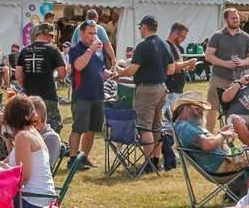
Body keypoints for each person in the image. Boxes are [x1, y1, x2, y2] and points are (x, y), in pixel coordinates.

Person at [114, 14, 173, 171]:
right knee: (156, 126)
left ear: (144, 27)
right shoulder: (165, 44)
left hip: (147, 88)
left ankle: (149, 164)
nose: (140, 30)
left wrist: (120, 72)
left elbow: (132, 69)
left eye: (140, 27)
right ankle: (155, 159)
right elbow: (171, 69)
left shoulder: (143, 46)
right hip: (162, 87)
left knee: (144, 127)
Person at [169, 93, 249, 179]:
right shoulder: (185, 127)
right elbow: (207, 145)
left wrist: (220, 134)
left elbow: (208, 144)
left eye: (202, 109)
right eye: (197, 108)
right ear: (185, 108)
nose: (201, 112)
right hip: (222, 165)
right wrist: (224, 135)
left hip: (223, 160)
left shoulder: (189, 125)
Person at [205, 8, 249, 132]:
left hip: (238, 81)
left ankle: (229, 140)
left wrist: (242, 62)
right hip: (219, 78)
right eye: (233, 18)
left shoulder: (245, 36)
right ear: (226, 19)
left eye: (237, 17)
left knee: (234, 111)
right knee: (213, 109)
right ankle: (209, 138)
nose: (236, 20)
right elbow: (208, 56)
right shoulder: (217, 36)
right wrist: (225, 64)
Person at [66, 21, 107, 168]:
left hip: (98, 95)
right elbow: (78, 66)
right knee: (78, 128)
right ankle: (72, 159)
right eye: (90, 33)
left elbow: (100, 71)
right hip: (82, 95)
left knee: (92, 129)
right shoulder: (76, 49)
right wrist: (90, 50)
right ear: (82, 33)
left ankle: (84, 158)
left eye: (95, 33)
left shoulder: (97, 51)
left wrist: (115, 73)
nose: (94, 36)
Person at [18, 23, 67, 132]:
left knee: (29, 125)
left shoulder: (25, 50)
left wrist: (25, 86)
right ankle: (50, 147)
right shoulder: (53, 50)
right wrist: (59, 77)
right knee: (52, 126)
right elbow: (62, 73)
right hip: (48, 95)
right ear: (50, 35)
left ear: (36, 34)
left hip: (28, 95)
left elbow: (18, 74)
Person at [164, 22, 199, 115]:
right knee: (168, 117)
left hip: (179, 89)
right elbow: (171, 68)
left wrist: (188, 67)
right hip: (169, 89)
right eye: (182, 37)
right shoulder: (166, 47)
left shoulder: (180, 48)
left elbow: (181, 66)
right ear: (175, 33)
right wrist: (188, 62)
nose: (183, 40)